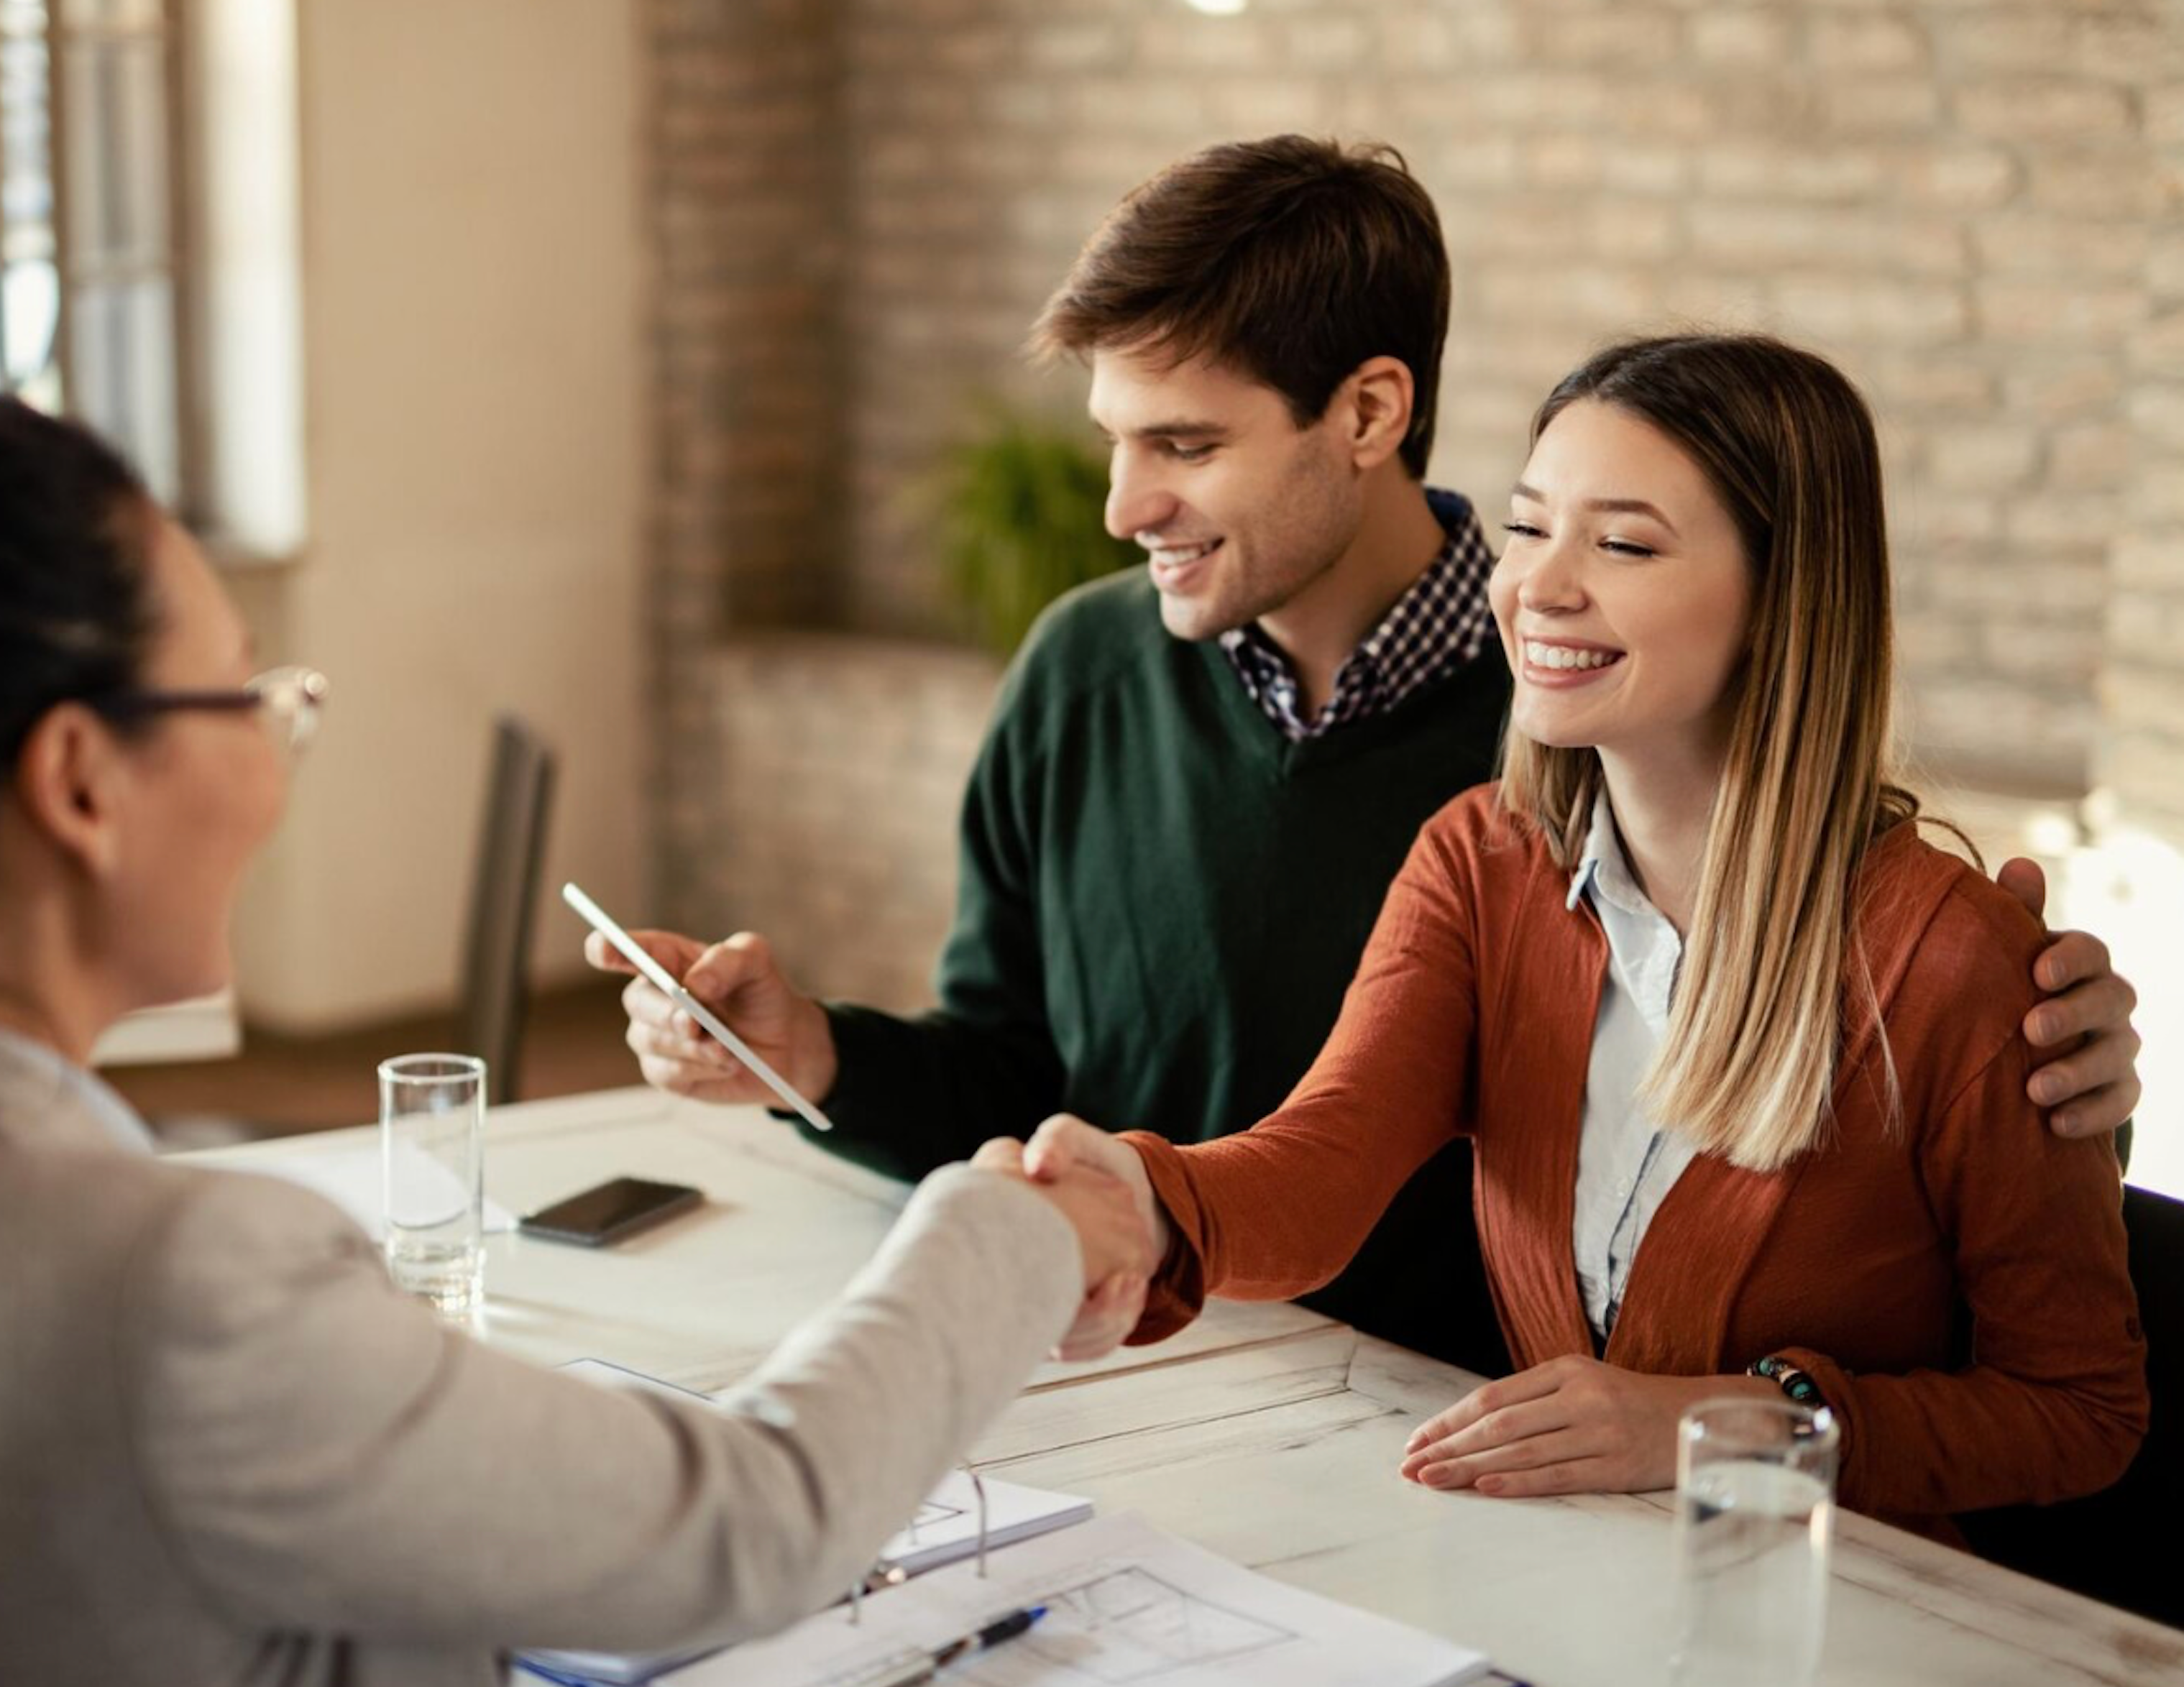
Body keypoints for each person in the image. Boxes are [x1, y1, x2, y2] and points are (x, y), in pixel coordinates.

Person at [0, 395, 1155, 1687]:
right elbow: (756, 1524)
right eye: (243, 696)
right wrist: (1001, 1231)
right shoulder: (175, 1290)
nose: (276, 755)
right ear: (81, 782)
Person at [589, 139, 2144, 1381]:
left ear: (1370, 411)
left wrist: (2055, 1065)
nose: (1124, 506)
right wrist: (817, 1057)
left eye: (1185, 445)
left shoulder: (1589, 731)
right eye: (1113, 441)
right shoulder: (1097, 677)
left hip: (1462, 1414)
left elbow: (1936, 1222)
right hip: (1148, 1344)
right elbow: (1070, 1087)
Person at [1004, 334, 2147, 1539]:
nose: (1538, 586)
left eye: (1624, 543)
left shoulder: (1964, 966)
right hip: (1571, 1584)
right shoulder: (1482, 863)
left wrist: (1731, 1418)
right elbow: (1318, 1166)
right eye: (1530, 526)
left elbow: (2080, 1410)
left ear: (1783, 599)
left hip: (1837, 1648)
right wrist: (1131, 1193)